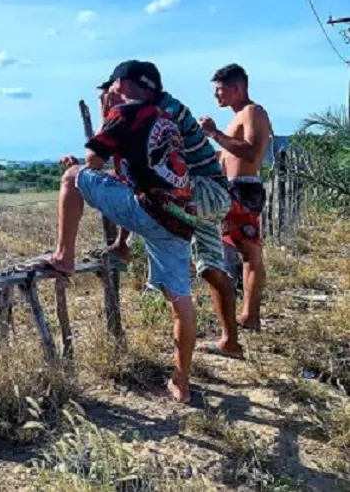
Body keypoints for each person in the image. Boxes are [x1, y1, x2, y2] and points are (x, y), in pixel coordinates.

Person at [26, 60, 199, 403]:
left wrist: (104, 124)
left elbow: (92, 163)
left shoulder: (127, 113)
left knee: (72, 176)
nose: (109, 93)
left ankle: (64, 256)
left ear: (122, 84)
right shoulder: (165, 120)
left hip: (150, 211)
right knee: (180, 299)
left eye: (112, 87)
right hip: (181, 218)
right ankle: (181, 381)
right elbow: (134, 178)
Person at [97, 61, 244, 359]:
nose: (115, 98)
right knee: (212, 267)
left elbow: (128, 170)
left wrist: (109, 118)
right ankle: (230, 341)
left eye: (117, 91)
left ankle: (175, 305)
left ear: (134, 87)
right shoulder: (166, 106)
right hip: (211, 195)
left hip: (198, 191)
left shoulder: (155, 113)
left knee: (142, 207)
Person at [199, 63, 272, 332]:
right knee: (238, 253)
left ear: (237, 88)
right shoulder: (238, 116)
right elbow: (230, 155)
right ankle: (241, 312)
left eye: (220, 90)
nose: (216, 96)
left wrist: (216, 134)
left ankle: (249, 316)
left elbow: (251, 153)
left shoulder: (252, 112)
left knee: (250, 255)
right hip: (233, 189)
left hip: (243, 189)